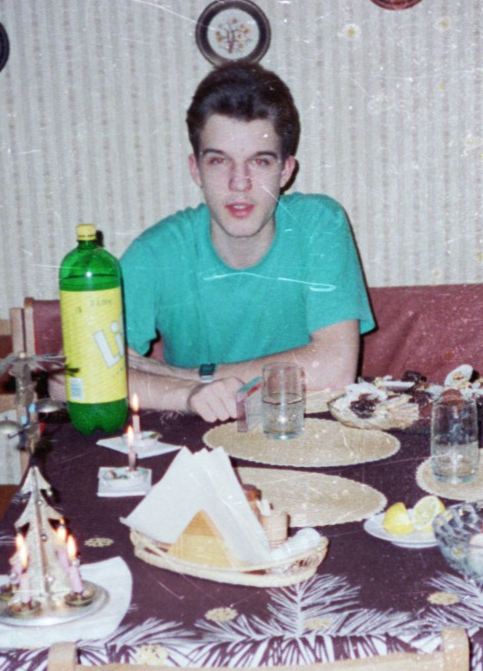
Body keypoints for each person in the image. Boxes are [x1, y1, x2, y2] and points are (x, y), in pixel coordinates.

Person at [119, 63, 375, 422]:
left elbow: (334, 372)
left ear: (285, 171)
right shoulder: (157, 250)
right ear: (196, 169)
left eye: (259, 161)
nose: (239, 183)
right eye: (219, 160)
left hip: (304, 434)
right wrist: (187, 394)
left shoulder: (319, 223)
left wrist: (188, 376)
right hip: (199, 440)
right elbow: (70, 378)